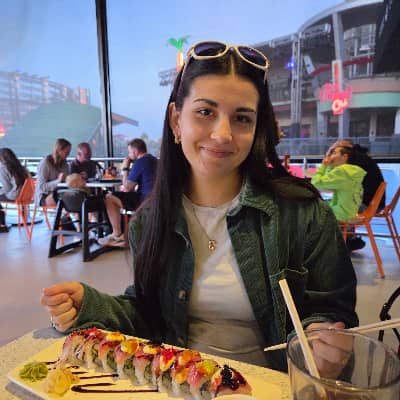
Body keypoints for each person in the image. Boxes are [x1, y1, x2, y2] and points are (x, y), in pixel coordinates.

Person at [40, 41, 358, 372]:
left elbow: (333, 310)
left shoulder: (303, 213)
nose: (222, 134)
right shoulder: (148, 221)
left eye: (242, 118)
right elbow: (148, 315)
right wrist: (88, 306)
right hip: (182, 383)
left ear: (256, 129)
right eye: (205, 112)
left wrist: (322, 338)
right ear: (176, 121)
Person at [97, 138, 157, 247]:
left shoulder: (140, 162)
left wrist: (125, 167)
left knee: (109, 198)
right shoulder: (154, 160)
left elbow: (126, 187)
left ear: (135, 151)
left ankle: (117, 236)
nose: (128, 155)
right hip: (156, 199)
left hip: (144, 200)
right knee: (118, 197)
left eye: (129, 152)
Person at [327, 140, 386, 250]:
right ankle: (349, 240)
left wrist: (328, 155)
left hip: (366, 205)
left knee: (323, 209)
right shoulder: (360, 158)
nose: (333, 154)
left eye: (335, 151)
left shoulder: (353, 160)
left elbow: (331, 179)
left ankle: (340, 244)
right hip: (373, 204)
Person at [311, 145, 366, 222]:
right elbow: (325, 185)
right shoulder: (350, 171)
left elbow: (316, 183)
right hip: (348, 212)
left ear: (344, 157)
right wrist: (329, 166)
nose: (330, 157)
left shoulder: (342, 171)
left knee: (304, 207)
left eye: (334, 153)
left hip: (339, 214)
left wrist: (324, 165)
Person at [34, 138, 71, 207]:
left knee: (75, 197)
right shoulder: (45, 163)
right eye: (67, 152)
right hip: (44, 196)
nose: (68, 154)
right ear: (59, 150)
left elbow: (67, 181)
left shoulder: (64, 163)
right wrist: (58, 181)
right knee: (65, 200)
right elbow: (42, 187)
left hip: (59, 193)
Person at [0, 147, 30, 232]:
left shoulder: (3, 167)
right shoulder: (20, 167)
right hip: (25, 196)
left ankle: (1, 223)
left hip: (15, 196)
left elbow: (7, 189)